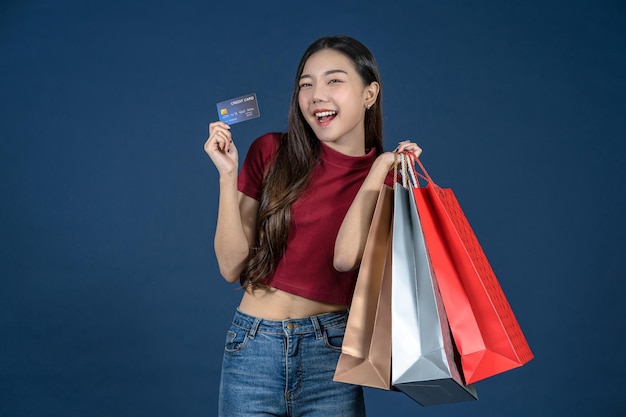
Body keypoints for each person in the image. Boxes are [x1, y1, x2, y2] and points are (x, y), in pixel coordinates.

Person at [204, 35, 422, 417]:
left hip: (331, 355)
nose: (316, 95)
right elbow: (229, 267)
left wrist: (379, 170)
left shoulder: (388, 178)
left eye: (333, 80)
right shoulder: (270, 151)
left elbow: (344, 258)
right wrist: (227, 176)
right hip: (252, 347)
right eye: (306, 84)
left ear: (369, 93)